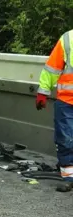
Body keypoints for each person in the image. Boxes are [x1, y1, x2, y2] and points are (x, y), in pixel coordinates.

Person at [36, 30, 73, 192]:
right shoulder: (68, 39)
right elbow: (53, 68)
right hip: (67, 100)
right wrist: (43, 91)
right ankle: (68, 176)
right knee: (65, 138)